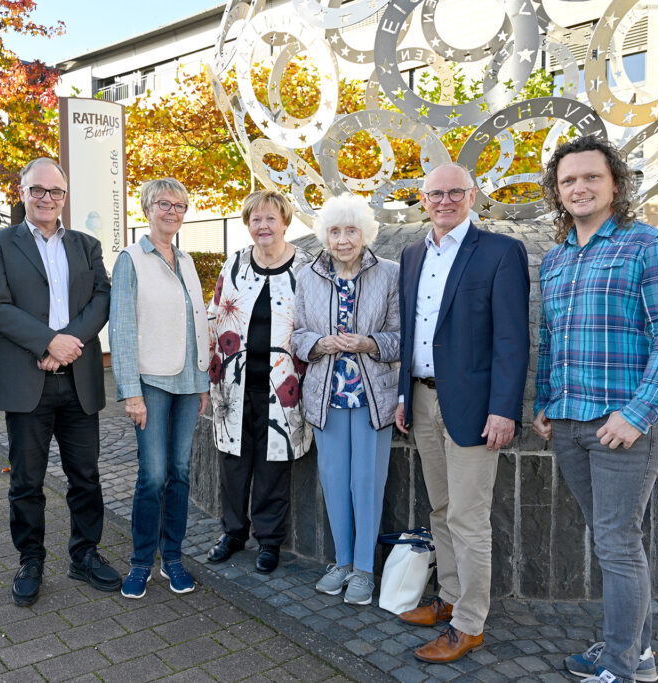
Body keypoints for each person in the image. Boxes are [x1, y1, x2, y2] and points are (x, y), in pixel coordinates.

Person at [534, 136, 658, 683]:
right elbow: (550, 340)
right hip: (571, 424)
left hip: (624, 427)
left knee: (617, 544)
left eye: (591, 177)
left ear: (616, 184)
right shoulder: (556, 260)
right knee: (616, 540)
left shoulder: (648, 245)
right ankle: (638, 652)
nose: (579, 187)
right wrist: (544, 404)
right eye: (568, 180)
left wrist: (637, 413)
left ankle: (624, 668)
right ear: (558, 193)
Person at [393, 162, 530, 663]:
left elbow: (513, 339)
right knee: (441, 510)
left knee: (470, 520)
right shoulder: (411, 255)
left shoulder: (500, 252)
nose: (444, 201)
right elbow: (411, 332)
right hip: (424, 399)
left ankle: (471, 624)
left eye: (455, 192)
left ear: (472, 196)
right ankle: (449, 599)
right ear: (422, 199)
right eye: (435, 193)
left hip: (475, 408)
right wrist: (406, 396)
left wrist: (504, 409)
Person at [0, 157, 120, 606]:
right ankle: (31, 560)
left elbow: (103, 297)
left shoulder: (86, 245)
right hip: (26, 379)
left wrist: (68, 343)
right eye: (37, 190)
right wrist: (46, 344)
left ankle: (84, 555)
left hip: (78, 377)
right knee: (26, 480)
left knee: (86, 475)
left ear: (65, 196)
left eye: (55, 191)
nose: (46, 198)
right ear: (22, 193)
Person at [293, 194, 400, 605]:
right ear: (324, 235)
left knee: (366, 484)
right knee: (335, 483)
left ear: (365, 234)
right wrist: (320, 344)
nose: (342, 240)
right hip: (326, 397)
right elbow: (298, 335)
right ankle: (340, 562)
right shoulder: (308, 277)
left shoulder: (388, 274)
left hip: (372, 398)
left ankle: (364, 570)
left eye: (351, 230)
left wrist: (368, 342)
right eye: (334, 231)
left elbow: (399, 337)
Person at [110, 178, 210, 599]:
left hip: (189, 381)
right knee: (152, 476)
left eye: (180, 205)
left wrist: (203, 378)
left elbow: (196, 322)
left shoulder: (186, 260)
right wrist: (130, 391)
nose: (172, 211)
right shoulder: (131, 259)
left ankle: (173, 558)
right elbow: (123, 327)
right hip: (150, 381)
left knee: (180, 473)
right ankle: (139, 563)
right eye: (164, 204)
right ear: (147, 208)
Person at [206, 189, 313, 573]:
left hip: (284, 388)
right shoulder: (234, 265)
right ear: (247, 224)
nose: (263, 225)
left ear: (285, 222)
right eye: (255, 219)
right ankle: (233, 533)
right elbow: (213, 315)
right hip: (233, 386)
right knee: (233, 462)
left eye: (270, 218)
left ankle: (269, 541)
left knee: (274, 465)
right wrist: (204, 371)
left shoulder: (308, 268)